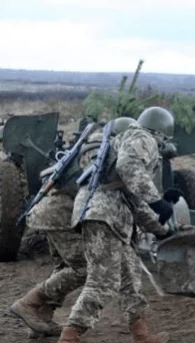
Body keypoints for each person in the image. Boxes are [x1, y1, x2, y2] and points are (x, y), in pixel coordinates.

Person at [9, 117, 141, 338]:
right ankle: (30, 302)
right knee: (86, 267)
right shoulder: (104, 155)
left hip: (50, 213)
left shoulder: (93, 151)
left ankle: (41, 318)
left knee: (65, 268)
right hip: (59, 215)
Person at [56, 108, 176, 343]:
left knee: (130, 279)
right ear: (162, 133)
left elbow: (134, 201)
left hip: (109, 214)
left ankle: (141, 335)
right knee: (103, 282)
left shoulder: (128, 140)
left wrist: (162, 231)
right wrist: (157, 200)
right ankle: (69, 337)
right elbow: (129, 167)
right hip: (103, 214)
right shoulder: (143, 138)